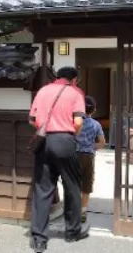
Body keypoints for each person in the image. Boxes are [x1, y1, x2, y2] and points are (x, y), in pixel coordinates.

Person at [28, 66, 89, 253]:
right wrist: (70, 134)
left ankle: (39, 239)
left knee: (43, 189)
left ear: (57, 77)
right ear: (74, 79)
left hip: (44, 141)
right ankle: (72, 232)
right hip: (65, 140)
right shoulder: (75, 92)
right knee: (72, 186)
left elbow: (32, 119)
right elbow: (78, 122)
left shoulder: (43, 90)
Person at [75, 96, 106, 223]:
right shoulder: (96, 124)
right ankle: (83, 211)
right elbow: (102, 142)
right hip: (89, 156)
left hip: (75, 154)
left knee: (75, 182)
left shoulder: (76, 122)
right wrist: (92, 147)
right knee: (86, 184)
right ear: (94, 110)